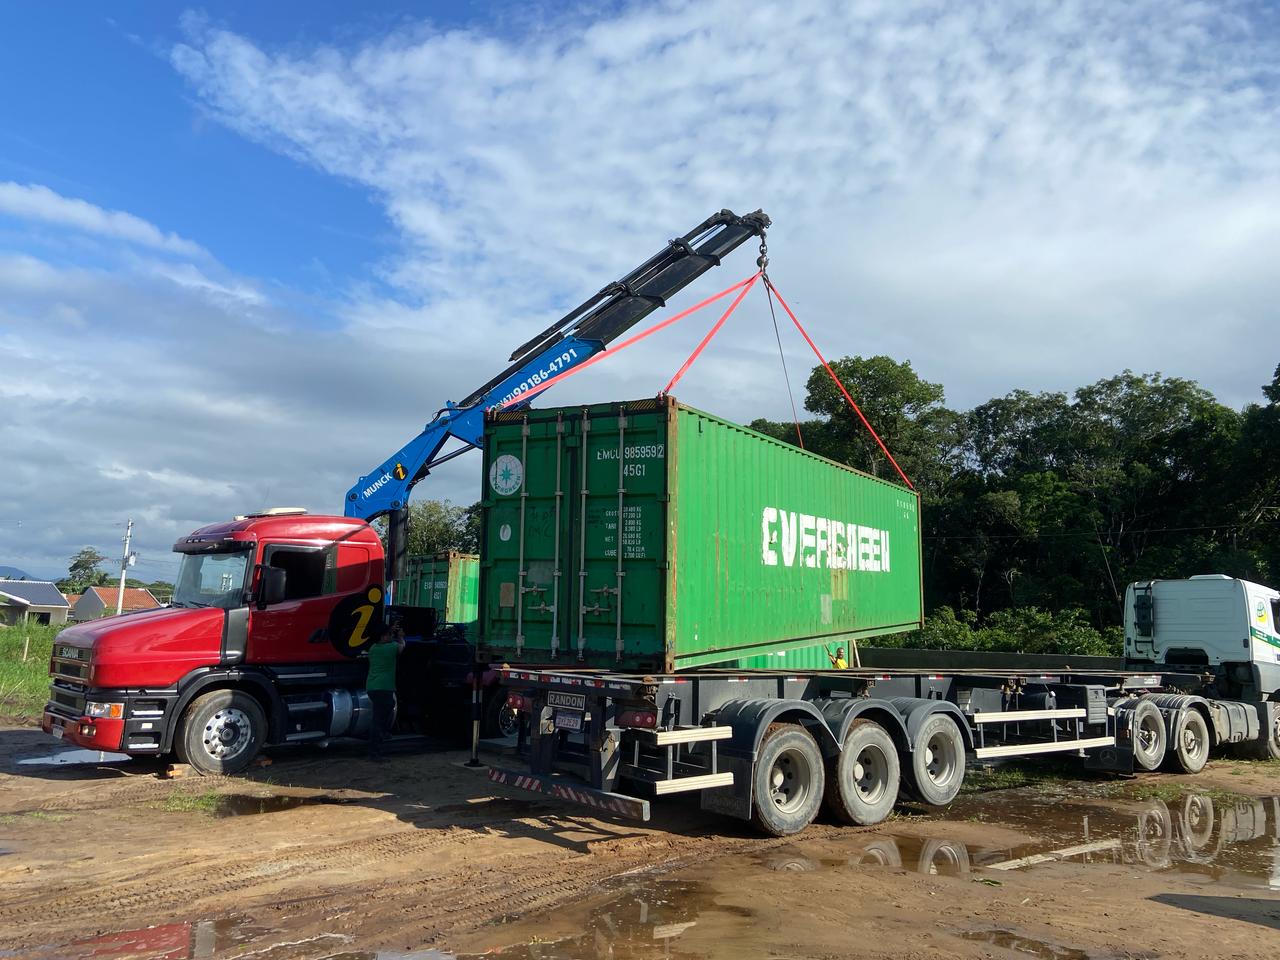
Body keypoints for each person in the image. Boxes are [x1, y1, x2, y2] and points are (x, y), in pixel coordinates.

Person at [366, 620, 405, 760]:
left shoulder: (373, 648)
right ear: (382, 636)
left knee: (383, 713)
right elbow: (402, 646)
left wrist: (392, 630)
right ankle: (375, 751)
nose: (390, 636)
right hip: (384, 687)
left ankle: (380, 739)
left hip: (372, 686)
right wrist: (400, 636)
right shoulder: (390, 648)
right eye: (388, 634)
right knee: (379, 720)